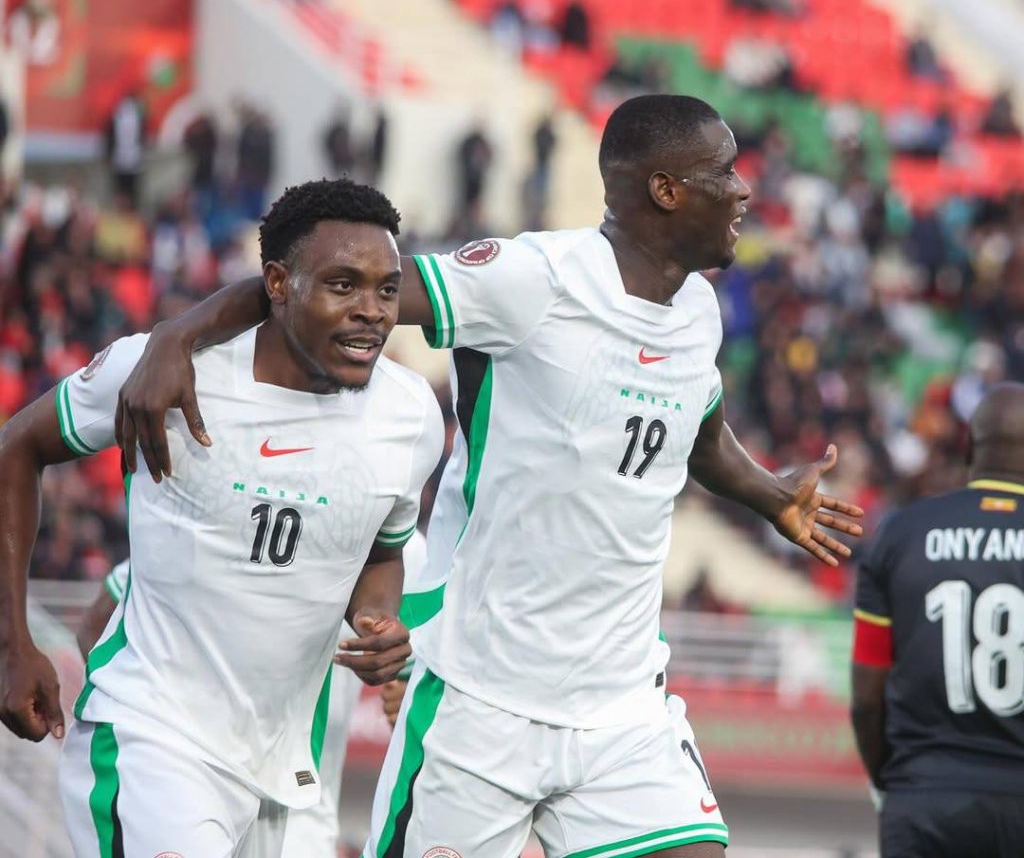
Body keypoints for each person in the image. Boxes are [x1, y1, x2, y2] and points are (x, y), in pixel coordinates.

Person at [112, 95, 864, 858]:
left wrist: (769, 494)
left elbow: (696, 435)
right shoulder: (533, 279)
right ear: (666, 190)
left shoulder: (698, 311)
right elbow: (338, 288)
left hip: (623, 705)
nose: (743, 190)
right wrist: (179, 335)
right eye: (725, 172)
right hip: (482, 699)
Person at [0, 179, 443, 856]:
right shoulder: (165, 374)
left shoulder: (409, 416)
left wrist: (377, 620)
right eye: (343, 285)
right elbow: (16, 448)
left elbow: (383, 553)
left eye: (387, 289)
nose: (372, 312)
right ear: (277, 281)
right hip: (155, 738)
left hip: (286, 776)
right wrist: (12, 642)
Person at [76, 528, 431, 856]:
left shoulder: (404, 548)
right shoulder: (225, 504)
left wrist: (405, 691)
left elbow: (412, 677)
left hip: (301, 813)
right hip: (189, 781)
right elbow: (97, 621)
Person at [851, 382, 1024, 858]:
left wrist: (893, 783)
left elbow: (867, 698)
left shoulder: (902, 533)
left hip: (925, 797)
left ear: (969, 445)